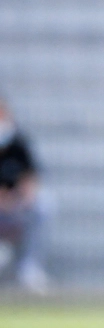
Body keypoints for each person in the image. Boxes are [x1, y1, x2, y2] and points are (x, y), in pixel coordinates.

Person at [0, 99, 49, 293]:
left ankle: (29, 267)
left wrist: (22, 196)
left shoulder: (18, 144)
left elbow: (31, 177)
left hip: (15, 206)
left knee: (44, 205)